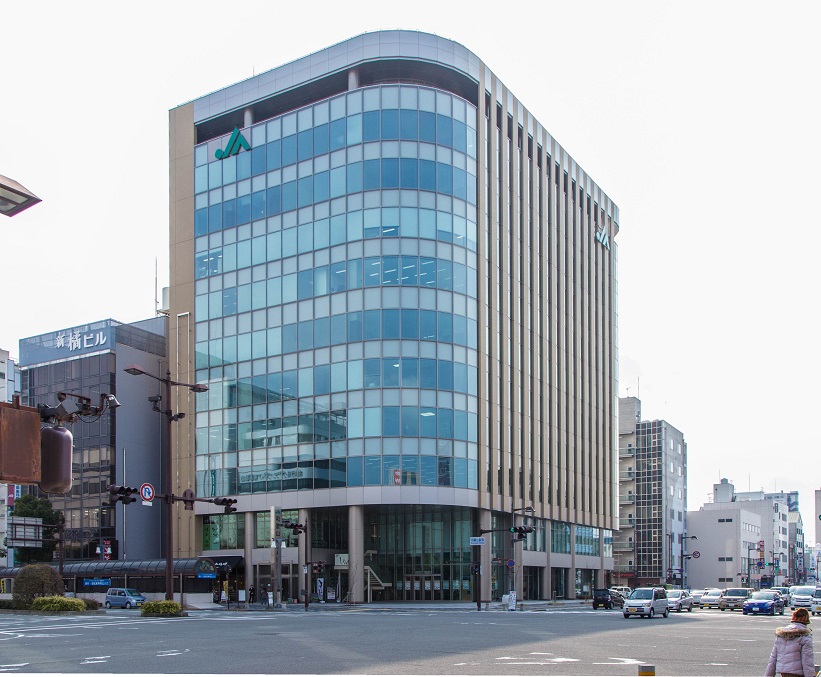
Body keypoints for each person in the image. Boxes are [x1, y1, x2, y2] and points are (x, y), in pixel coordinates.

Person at [764, 607, 814, 677]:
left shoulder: (781, 634)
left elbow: (773, 658)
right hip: (798, 673)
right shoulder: (805, 637)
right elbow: (807, 660)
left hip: (783, 672)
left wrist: (768, 675)